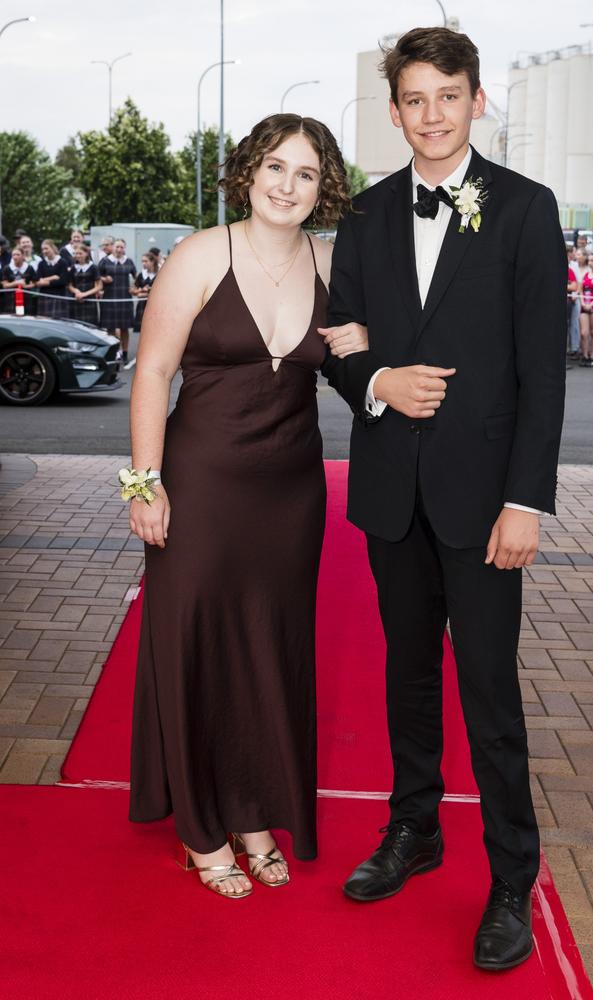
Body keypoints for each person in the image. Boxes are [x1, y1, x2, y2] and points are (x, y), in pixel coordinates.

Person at [319, 26, 566, 972]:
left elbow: (543, 375)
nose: (431, 114)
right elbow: (342, 343)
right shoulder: (369, 216)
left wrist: (526, 503)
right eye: (414, 99)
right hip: (393, 494)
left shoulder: (526, 210)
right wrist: (381, 381)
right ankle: (414, 830)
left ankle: (513, 879)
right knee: (408, 676)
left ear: (476, 102)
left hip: (483, 498)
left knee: (490, 691)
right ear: (394, 111)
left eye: (448, 96)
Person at [126, 114, 368, 900]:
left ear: (321, 186)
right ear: (248, 172)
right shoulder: (202, 253)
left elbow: (365, 361)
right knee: (191, 641)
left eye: (304, 173)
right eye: (274, 167)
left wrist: (366, 340)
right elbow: (153, 374)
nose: (286, 185)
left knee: (269, 652)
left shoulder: (332, 261)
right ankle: (200, 828)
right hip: (197, 483)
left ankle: (256, 814)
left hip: (290, 494)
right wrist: (144, 481)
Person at [98, 238, 136, 362]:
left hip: (125, 297)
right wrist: (104, 280)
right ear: (112, 247)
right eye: (117, 247)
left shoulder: (129, 261)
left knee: (124, 327)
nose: (119, 249)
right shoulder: (104, 261)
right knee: (111, 328)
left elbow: (137, 278)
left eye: (121, 247)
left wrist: (134, 288)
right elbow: (97, 277)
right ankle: (113, 351)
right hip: (109, 297)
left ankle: (124, 353)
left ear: (124, 248)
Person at [35, 240, 71, 319]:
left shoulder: (62, 262)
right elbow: (37, 281)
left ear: (52, 248)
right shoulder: (41, 263)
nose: (44, 251)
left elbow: (63, 281)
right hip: (44, 295)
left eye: (46, 248)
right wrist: (53, 277)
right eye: (43, 249)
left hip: (59, 295)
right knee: (44, 320)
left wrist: (45, 282)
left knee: (59, 321)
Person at [68, 244, 102, 325]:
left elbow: (99, 286)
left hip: (89, 300)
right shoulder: (73, 267)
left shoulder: (93, 267)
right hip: (76, 300)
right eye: (76, 253)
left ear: (86, 253)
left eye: (80, 253)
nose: (78, 255)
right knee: (76, 325)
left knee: (90, 326)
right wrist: (76, 292)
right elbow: (69, 285)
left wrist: (84, 294)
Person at [1, 245, 36, 313]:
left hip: (26, 299)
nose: (15, 257)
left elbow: (34, 283)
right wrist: (16, 283)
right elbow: (5, 285)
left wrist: (25, 286)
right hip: (11, 300)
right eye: (13, 255)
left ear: (23, 256)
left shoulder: (29, 268)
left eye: (18, 254)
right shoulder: (7, 268)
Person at [130, 252, 159, 335]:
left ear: (152, 262)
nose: (143, 263)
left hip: (155, 305)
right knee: (143, 331)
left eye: (146, 261)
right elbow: (132, 290)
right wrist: (139, 291)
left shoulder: (159, 274)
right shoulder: (141, 274)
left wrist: (146, 293)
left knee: (155, 330)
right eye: (142, 261)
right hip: (142, 306)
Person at [566, 247, 579, 362]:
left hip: (566, 303)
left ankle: (571, 350)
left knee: (568, 326)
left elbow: (574, 286)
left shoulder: (570, 270)